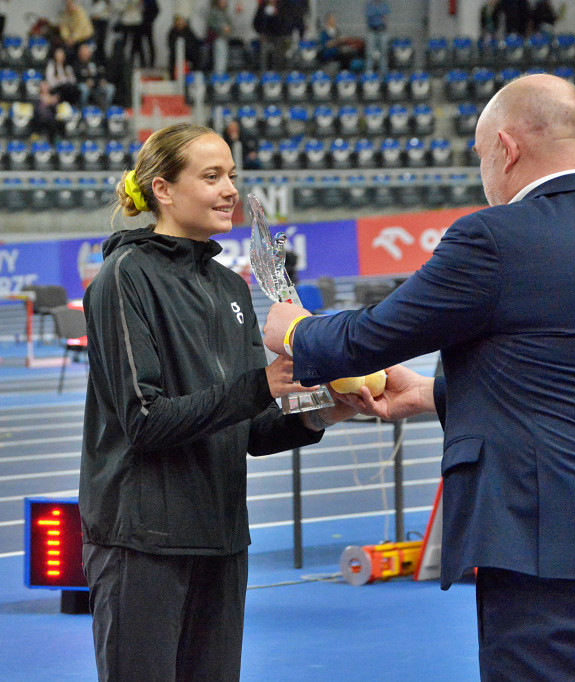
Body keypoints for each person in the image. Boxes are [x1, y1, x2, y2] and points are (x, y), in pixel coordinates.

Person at [263, 73, 575, 682]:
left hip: (544, 560)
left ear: (507, 148)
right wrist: (432, 394)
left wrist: (292, 330)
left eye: (479, 157)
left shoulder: (493, 237)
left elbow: (368, 337)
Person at [79, 123, 356, 681]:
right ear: (163, 189)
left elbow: (249, 431)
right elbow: (144, 420)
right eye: (211, 177)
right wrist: (264, 384)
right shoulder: (123, 277)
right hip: (144, 540)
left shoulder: (230, 288)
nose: (230, 189)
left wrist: (319, 412)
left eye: (231, 174)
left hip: (222, 538)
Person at [72, 42, 115, 109]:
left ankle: (106, 109)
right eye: (84, 51)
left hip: (96, 86)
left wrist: (102, 80)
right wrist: (85, 82)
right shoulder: (76, 63)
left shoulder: (94, 62)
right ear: (80, 53)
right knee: (84, 88)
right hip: (82, 85)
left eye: (88, 51)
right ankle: (83, 109)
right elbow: (75, 77)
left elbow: (100, 73)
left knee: (110, 88)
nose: (87, 53)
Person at [165, 14, 201, 80]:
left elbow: (195, 42)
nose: (181, 23)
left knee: (197, 56)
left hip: (189, 54)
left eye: (182, 21)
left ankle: (195, 76)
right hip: (176, 54)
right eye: (179, 21)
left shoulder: (189, 31)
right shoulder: (172, 32)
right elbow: (171, 46)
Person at [205, 0, 235, 74]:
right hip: (217, 37)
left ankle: (222, 72)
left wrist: (229, 29)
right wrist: (221, 27)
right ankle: (218, 73)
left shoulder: (225, 13)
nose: (223, 3)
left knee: (224, 57)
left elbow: (231, 25)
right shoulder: (214, 12)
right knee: (219, 57)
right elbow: (210, 23)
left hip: (225, 38)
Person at [364, 0, 389, 74]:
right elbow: (369, 14)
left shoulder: (384, 4)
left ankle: (383, 73)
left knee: (384, 52)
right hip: (372, 31)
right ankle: (369, 73)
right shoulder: (369, 4)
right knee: (369, 53)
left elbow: (385, 15)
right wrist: (379, 12)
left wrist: (376, 12)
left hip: (382, 31)